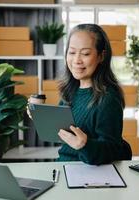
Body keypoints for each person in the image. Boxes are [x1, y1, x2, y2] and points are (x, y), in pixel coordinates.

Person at [56, 23, 132, 165]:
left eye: (85, 53)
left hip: (89, 174)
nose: (77, 60)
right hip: (63, 165)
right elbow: (63, 133)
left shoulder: (108, 99)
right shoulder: (69, 91)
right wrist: (40, 114)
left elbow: (113, 149)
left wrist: (85, 145)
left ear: (101, 56)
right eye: (72, 52)